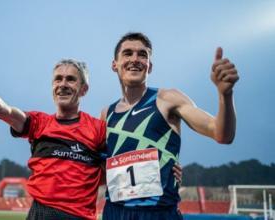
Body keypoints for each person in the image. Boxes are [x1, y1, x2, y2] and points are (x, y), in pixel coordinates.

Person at [101, 32, 239, 220]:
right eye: (128, 53)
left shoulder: (168, 99)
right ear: (114, 64)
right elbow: (97, 169)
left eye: (142, 55)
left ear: (150, 66)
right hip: (115, 213)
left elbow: (222, 133)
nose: (135, 59)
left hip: (159, 213)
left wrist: (225, 94)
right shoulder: (105, 115)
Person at [0, 53, 106, 220]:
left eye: (70, 79)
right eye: (58, 79)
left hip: (79, 216)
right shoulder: (39, 123)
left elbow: (111, 172)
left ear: (84, 89)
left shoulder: (98, 129)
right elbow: (5, 111)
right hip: (40, 214)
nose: (63, 84)